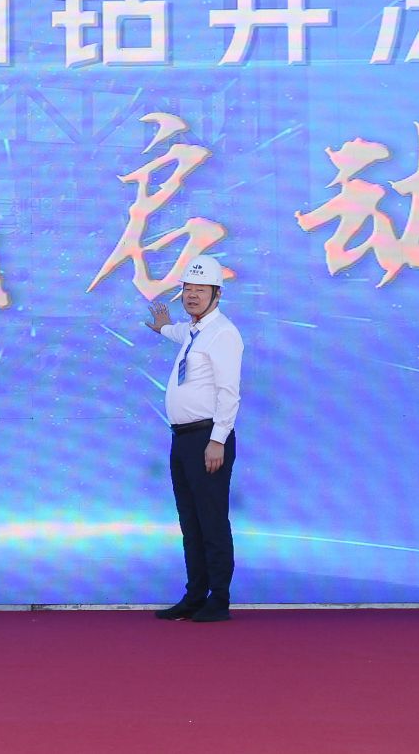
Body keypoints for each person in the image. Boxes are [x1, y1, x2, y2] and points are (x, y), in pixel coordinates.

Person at [144, 256, 244, 623]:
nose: (192, 295)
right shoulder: (194, 330)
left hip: (207, 439)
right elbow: (179, 335)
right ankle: (195, 594)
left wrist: (218, 439)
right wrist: (163, 328)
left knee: (211, 520)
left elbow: (229, 393)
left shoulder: (224, 334)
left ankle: (219, 599)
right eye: (187, 289)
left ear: (217, 294)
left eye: (200, 290)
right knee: (190, 521)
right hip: (183, 439)